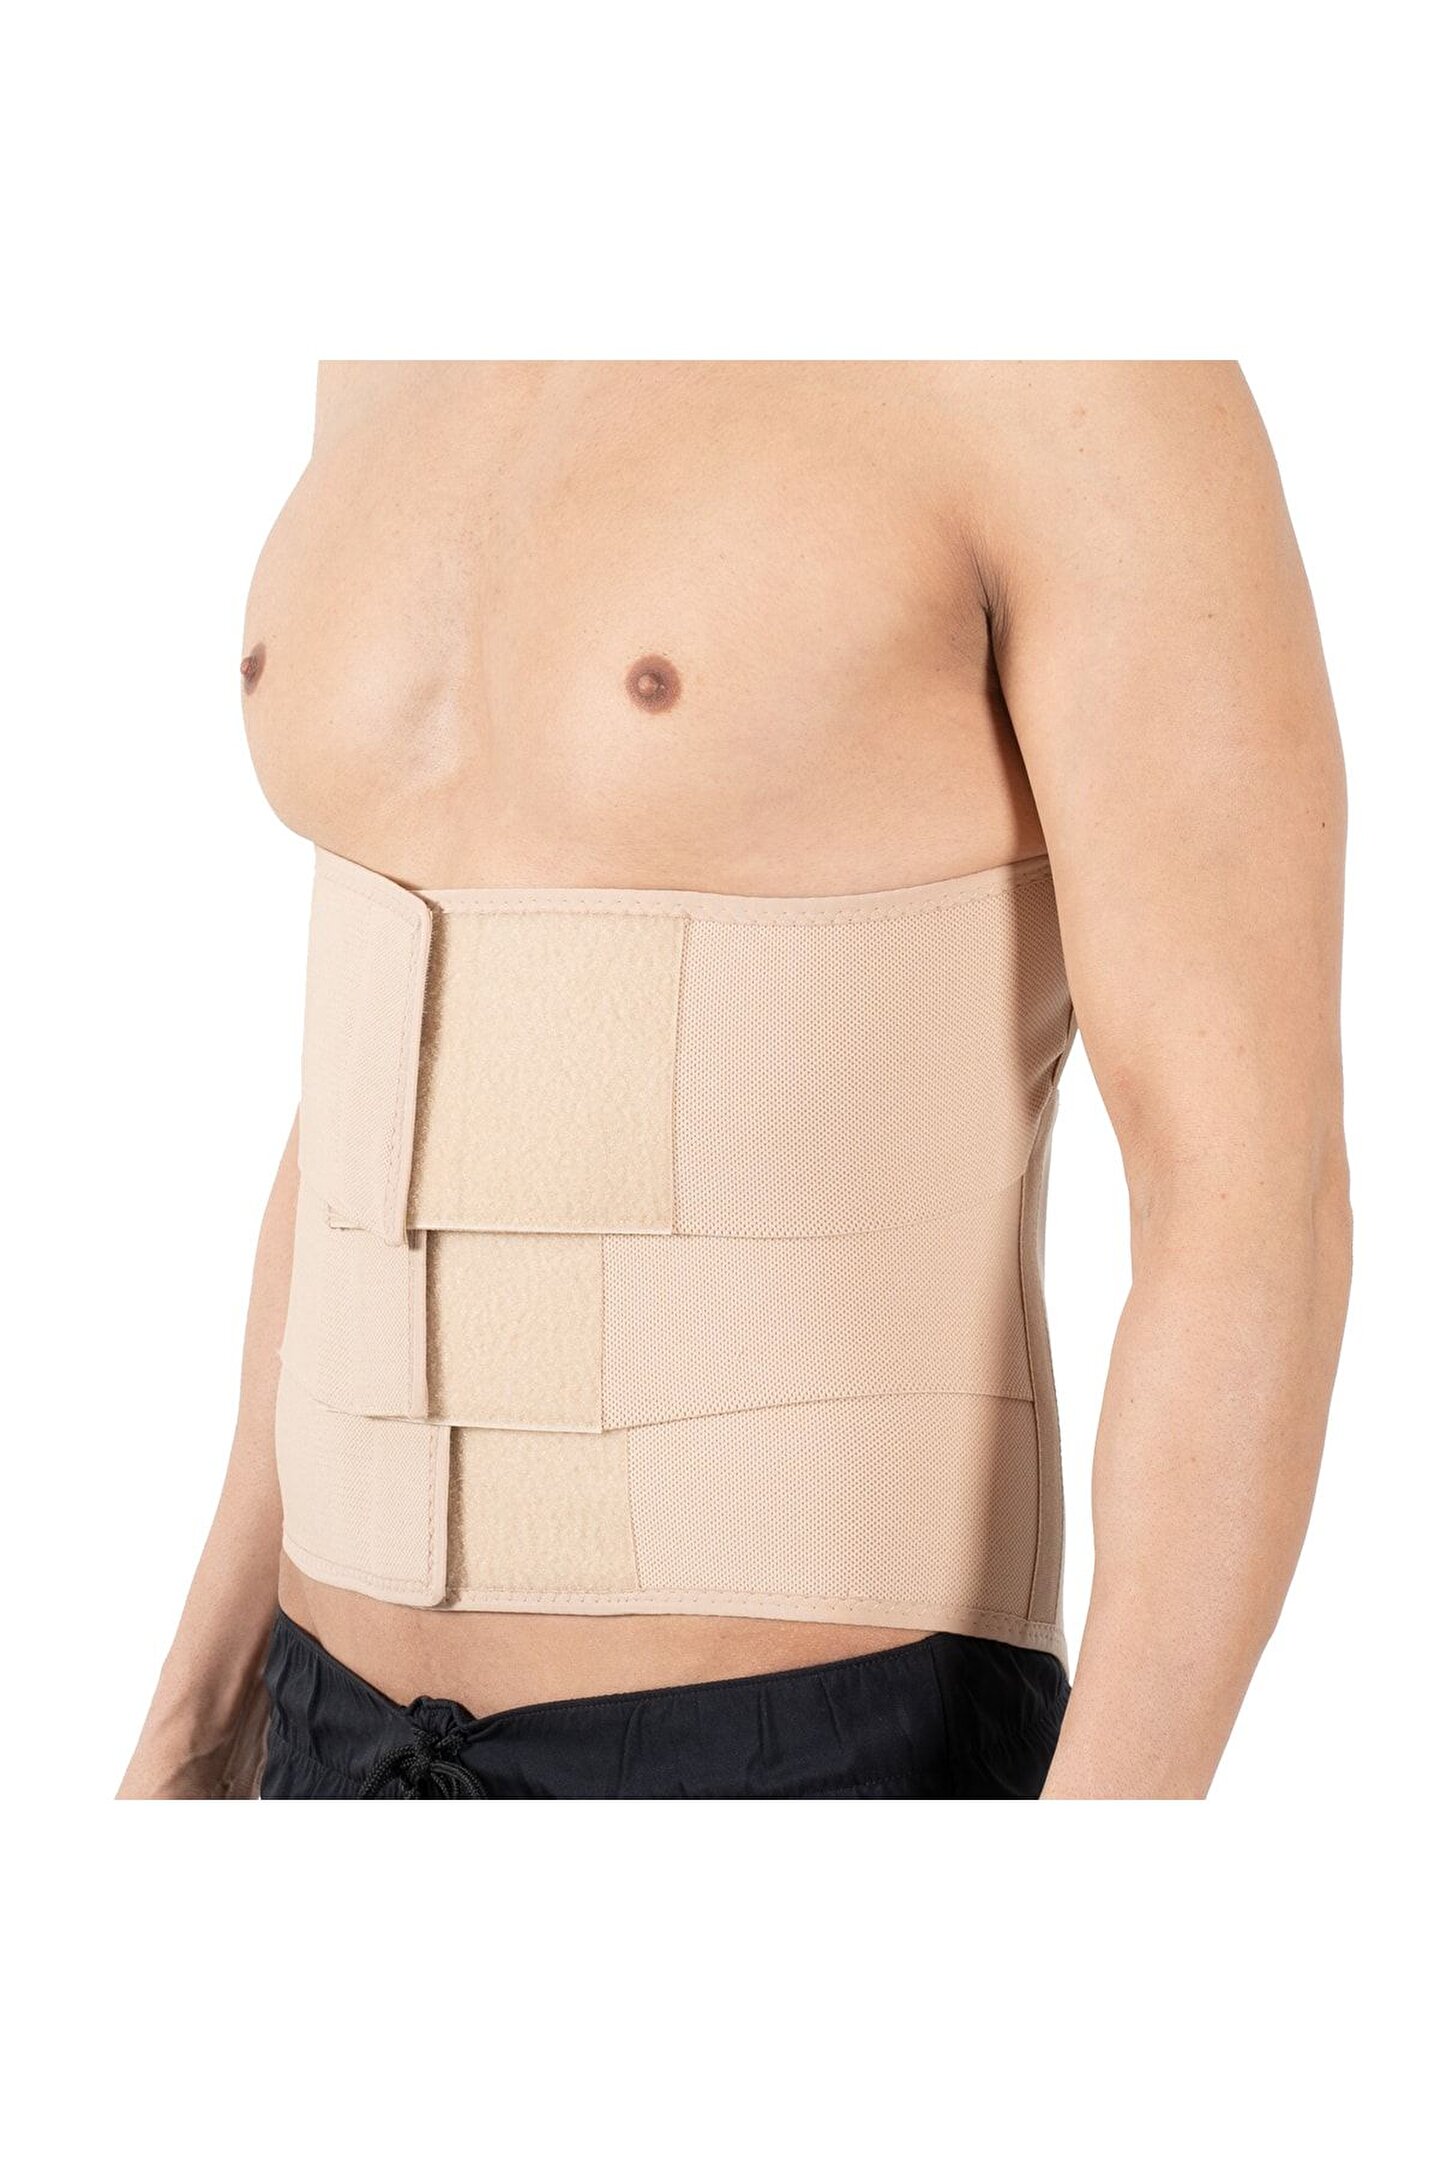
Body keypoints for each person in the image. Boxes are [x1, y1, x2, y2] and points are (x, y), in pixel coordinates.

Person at [119, 361, 1351, 1801]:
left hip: (820, 1747)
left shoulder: (1070, 378)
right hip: (320, 1720)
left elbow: (1248, 1194)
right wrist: (195, 1727)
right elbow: (378, 1118)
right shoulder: (391, 352)